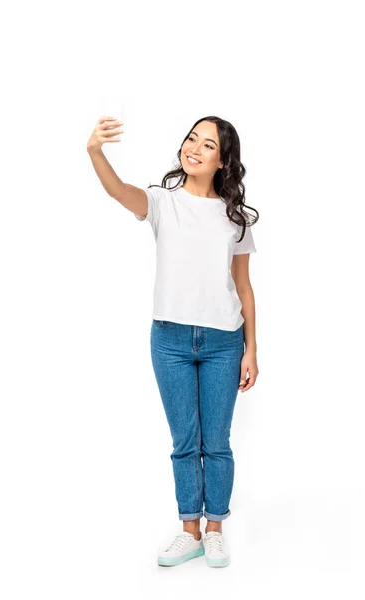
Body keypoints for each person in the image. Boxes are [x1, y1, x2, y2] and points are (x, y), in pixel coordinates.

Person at [87, 115, 260, 568]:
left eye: (207, 145)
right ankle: (190, 531)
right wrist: (95, 151)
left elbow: (244, 288)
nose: (194, 148)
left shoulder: (234, 217)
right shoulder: (163, 202)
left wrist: (252, 350)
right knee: (185, 440)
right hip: (170, 341)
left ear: (223, 161)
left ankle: (216, 527)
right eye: (190, 139)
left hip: (225, 340)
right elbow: (118, 190)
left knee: (216, 442)